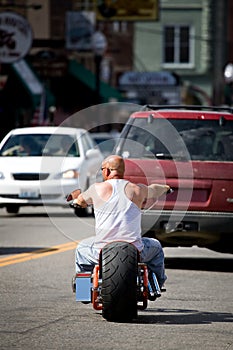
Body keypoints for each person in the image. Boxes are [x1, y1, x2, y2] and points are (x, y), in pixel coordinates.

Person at [69, 155, 170, 289]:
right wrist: (166, 188)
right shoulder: (137, 189)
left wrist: (76, 201)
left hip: (101, 251)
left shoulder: (96, 189)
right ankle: (155, 285)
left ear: (107, 171)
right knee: (156, 247)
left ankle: (83, 289)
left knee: (82, 248)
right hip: (136, 251)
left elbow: (80, 200)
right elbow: (154, 189)